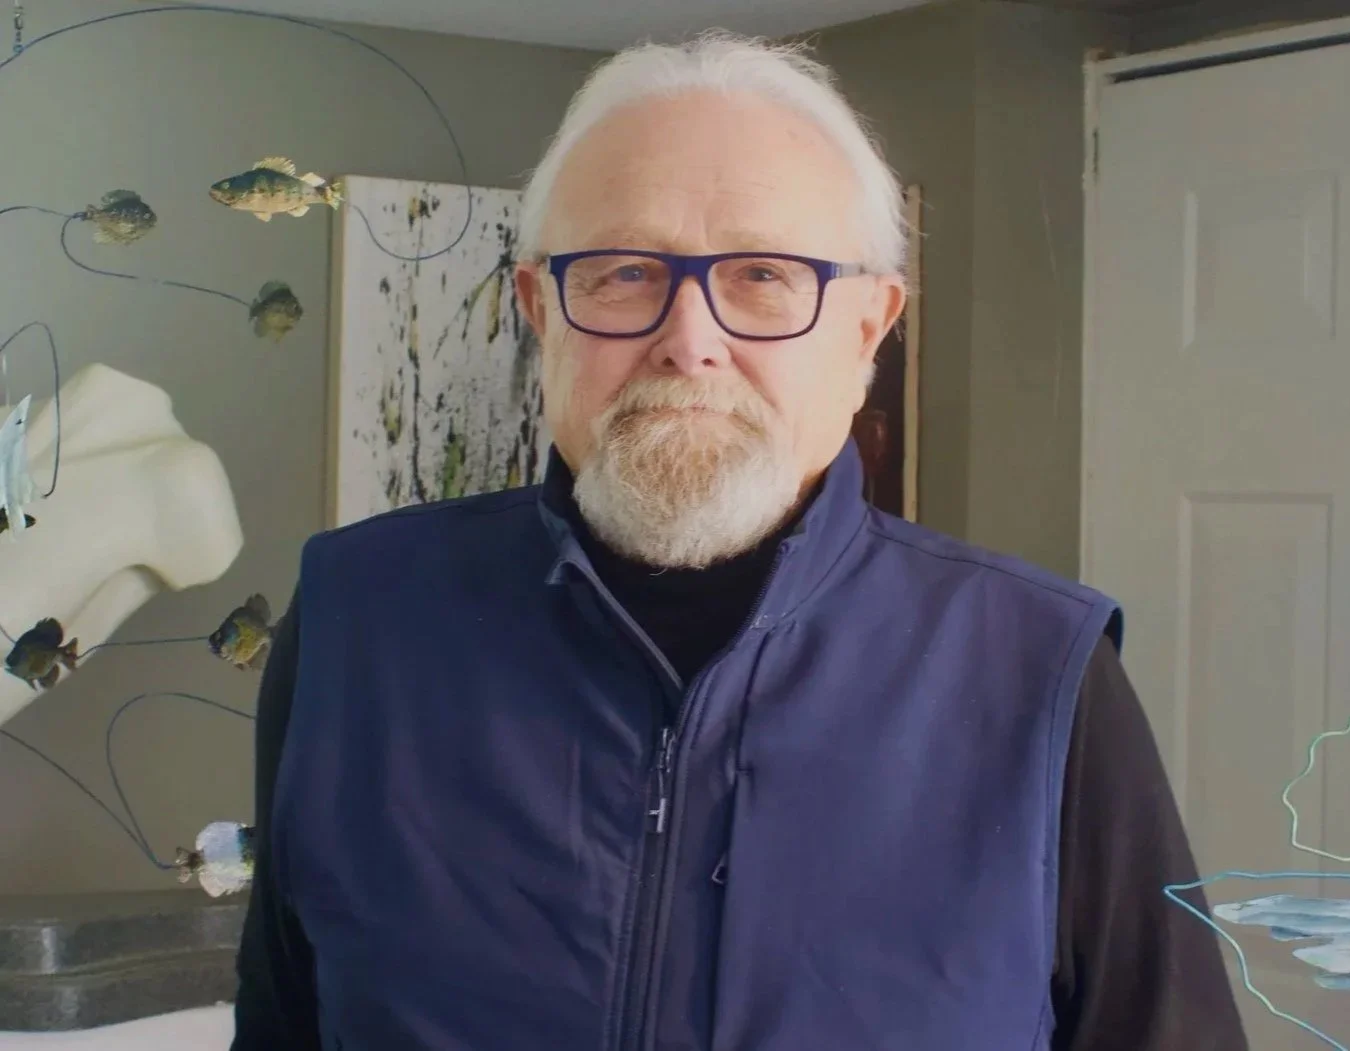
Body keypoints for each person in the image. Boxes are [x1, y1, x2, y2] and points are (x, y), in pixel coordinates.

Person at [231, 30, 1247, 1051]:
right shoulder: (360, 619)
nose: (689, 338)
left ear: (865, 332)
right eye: (624, 272)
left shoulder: (1038, 672)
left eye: (763, 275)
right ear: (542, 310)